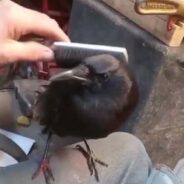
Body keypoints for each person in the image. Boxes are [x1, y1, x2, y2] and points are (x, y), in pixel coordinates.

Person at [0, 1, 152, 184]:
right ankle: (44, 162)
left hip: (87, 125)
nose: (77, 73)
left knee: (131, 147)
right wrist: (45, 161)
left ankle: (88, 153)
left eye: (99, 76)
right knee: (130, 149)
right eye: (83, 69)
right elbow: (48, 117)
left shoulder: (126, 98)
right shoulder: (70, 90)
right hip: (57, 120)